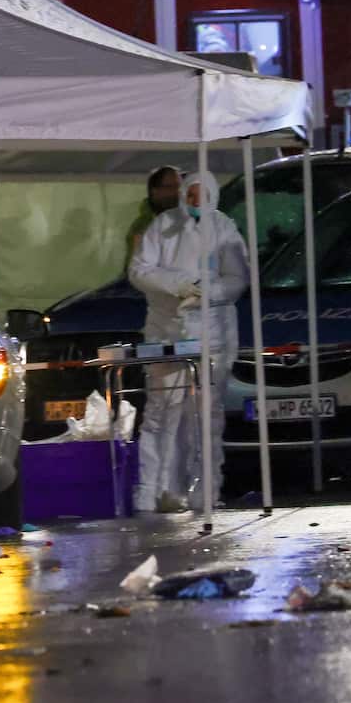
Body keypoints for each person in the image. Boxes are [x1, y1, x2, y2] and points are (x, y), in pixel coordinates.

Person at [128, 171, 249, 512]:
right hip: (165, 331)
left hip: (213, 334)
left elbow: (237, 278)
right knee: (162, 411)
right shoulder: (162, 226)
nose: (196, 202)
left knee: (205, 415)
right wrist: (179, 284)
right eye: (190, 195)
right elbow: (139, 270)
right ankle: (153, 491)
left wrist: (206, 293)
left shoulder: (223, 228)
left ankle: (203, 491)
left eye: (202, 195)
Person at [126, 166, 182, 260]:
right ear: (154, 191)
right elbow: (137, 268)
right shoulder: (144, 226)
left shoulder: (187, 219)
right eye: (169, 187)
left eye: (179, 186)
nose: (176, 192)